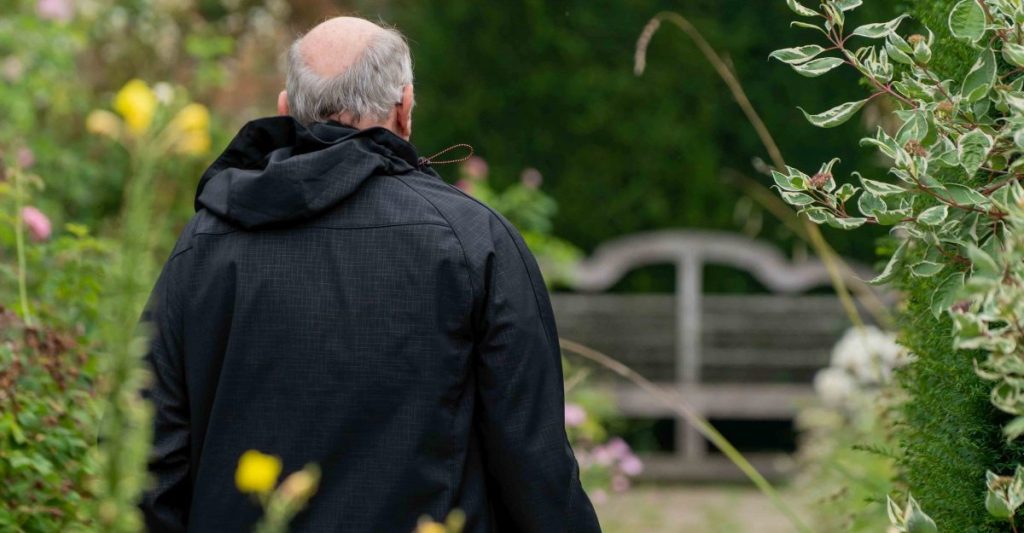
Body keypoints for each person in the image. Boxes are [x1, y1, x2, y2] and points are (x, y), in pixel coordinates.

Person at [139, 16, 601, 533]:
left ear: (287, 109)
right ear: (404, 108)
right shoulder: (474, 243)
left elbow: (147, 457)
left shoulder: (202, 246)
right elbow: (535, 468)